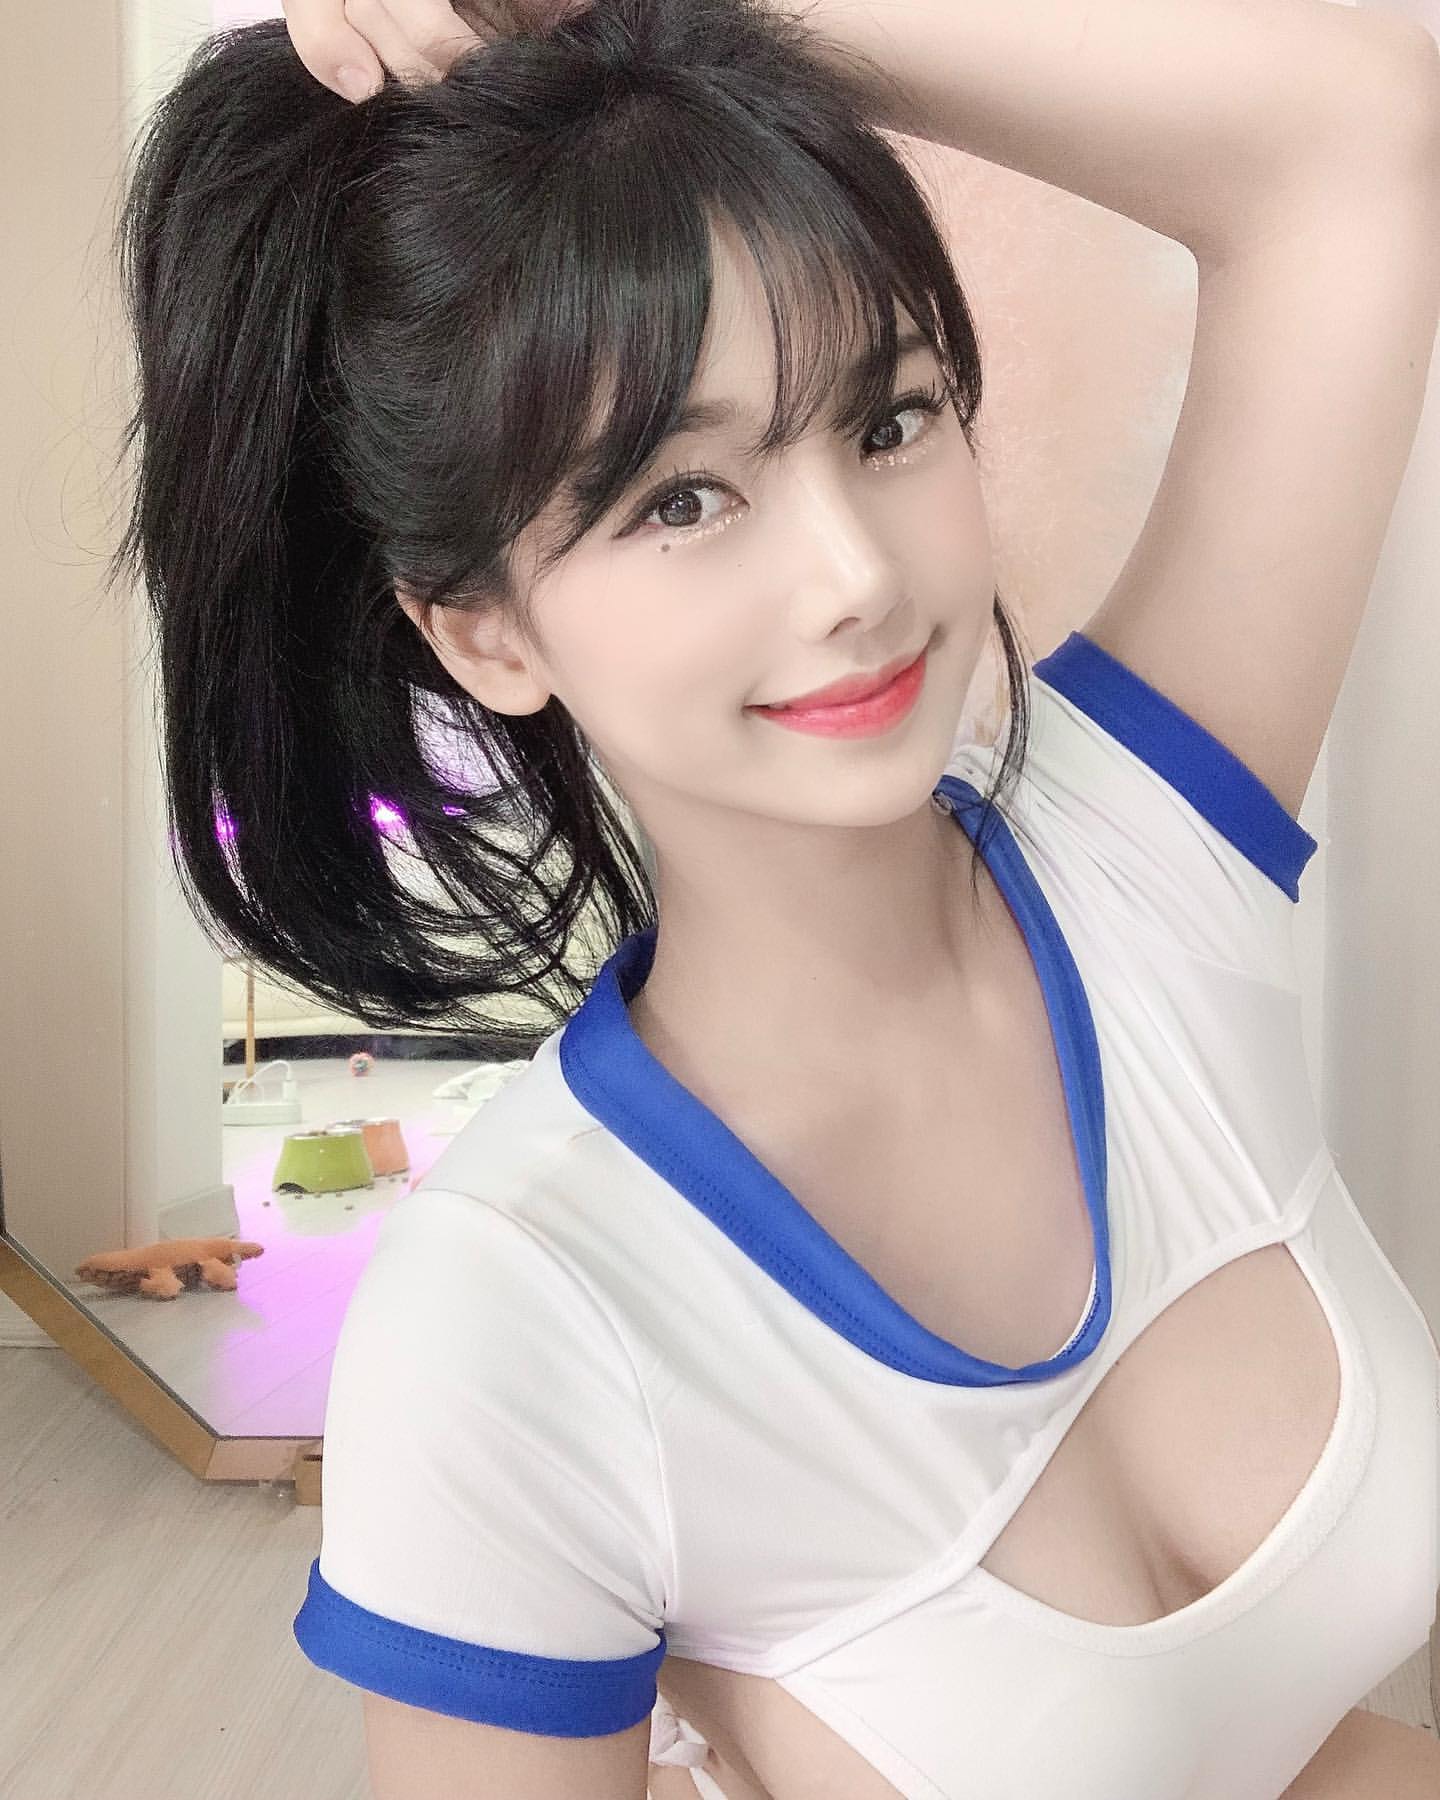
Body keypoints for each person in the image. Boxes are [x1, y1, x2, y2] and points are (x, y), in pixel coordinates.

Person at [108, 0, 1440, 1793]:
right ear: (483, 630)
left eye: (891, 418)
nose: (852, 575)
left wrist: (650, 18)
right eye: (682, 500)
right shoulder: (516, 1322)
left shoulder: (1145, 856)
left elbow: (1364, 133)